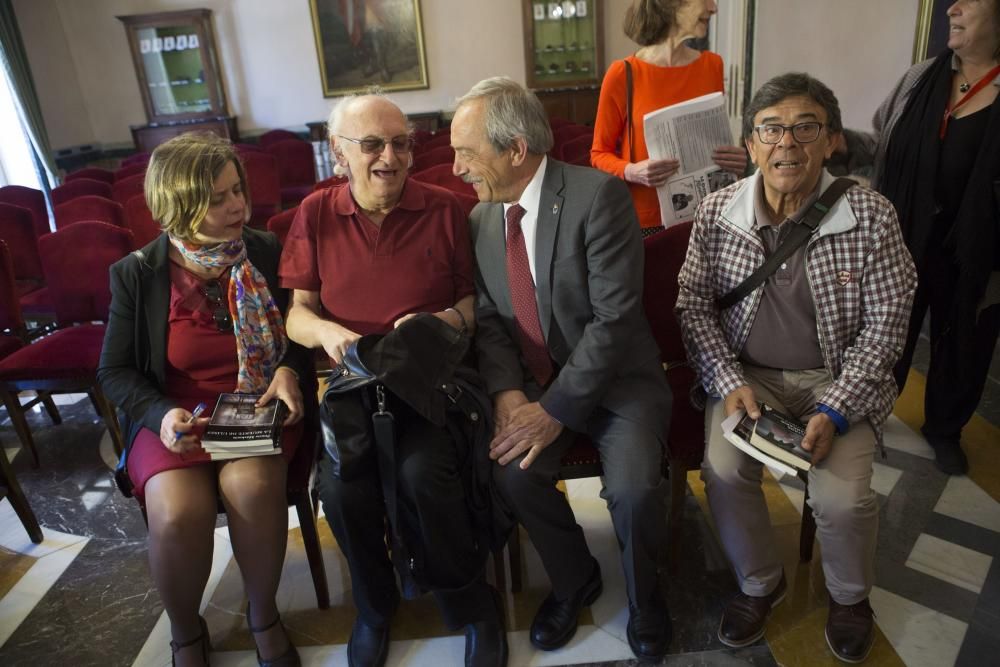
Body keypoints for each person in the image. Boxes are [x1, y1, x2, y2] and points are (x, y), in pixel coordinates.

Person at [676, 73, 917, 664]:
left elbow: (888, 323)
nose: (788, 143)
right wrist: (727, 381)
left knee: (842, 500)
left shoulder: (871, 215)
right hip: (747, 377)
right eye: (771, 129)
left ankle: (849, 598)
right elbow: (692, 305)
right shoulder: (716, 213)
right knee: (725, 471)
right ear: (752, 145)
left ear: (831, 140)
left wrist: (837, 407)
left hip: (836, 382)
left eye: (806, 128)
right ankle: (760, 582)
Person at [278, 92, 506, 667]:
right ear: (339, 153)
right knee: (342, 491)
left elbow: (470, 304)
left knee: (424, 473)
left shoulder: (445, 208)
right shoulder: (316, 213)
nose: (390, 157)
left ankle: (469, 602)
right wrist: (330, 334)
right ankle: (375, 607)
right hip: (356, 388)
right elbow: (297, 314)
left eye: (401, 143)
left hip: (433, 381)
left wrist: (438, 322)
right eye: (373, 144)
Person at [451, 77, 673, 661]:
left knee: (631, 488)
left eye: (466, 153)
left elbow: (615, 321)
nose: (455, 169)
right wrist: (505, 395)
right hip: (532, 381)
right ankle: (576, 580)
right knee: (513, 474)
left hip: (619, 380)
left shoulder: (597, 196)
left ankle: (647, 598)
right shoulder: (480, 219)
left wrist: (553, 411)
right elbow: (495, 319)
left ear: (515, 150)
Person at [98, 133, 311, 667]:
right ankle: (187, 631)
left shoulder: (265, 250)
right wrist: (159, 415)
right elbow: (115, 371)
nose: (238, 205)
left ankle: (263, 615)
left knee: (253, 487)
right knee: (177, 513)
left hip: (255, 405)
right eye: (218, 198)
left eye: (237, 190)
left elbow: (300, 338)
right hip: (178, 417)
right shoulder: (138, 273)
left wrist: (287, 370)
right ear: (180, 203)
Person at [832, 0, 1000, 475]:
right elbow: (880, 145)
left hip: (975, 251)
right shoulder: (921, 77)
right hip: (903, 237)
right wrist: (843, 143)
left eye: (971, 1)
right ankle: (866, 411)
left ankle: (945, 428)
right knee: (888, 330)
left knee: (965, 340)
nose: (954, 8)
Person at [591, 0, 747, 234]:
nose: (714, 8)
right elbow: (598, 154)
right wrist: (632, 171)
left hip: (706, 218)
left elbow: (712, 144)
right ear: (671, 5)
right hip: (644, 223)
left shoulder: (712, 65)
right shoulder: (623, 73)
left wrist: (737, 159)